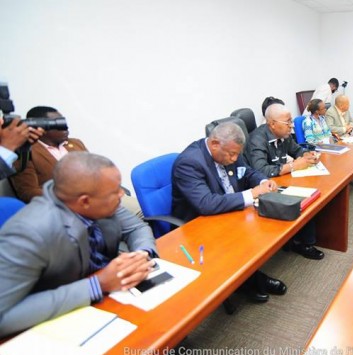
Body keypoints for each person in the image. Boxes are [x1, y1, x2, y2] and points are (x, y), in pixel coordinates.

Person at [0, 152, 157, 336]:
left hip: (112, 297)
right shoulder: (29, 232)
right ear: (85, 201)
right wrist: (97, 285)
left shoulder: (99, 200)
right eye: (116, 191)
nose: (121, 195)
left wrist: (140, 255)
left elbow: (136, 228)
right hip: (58, 319)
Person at [171, 122, 287, 303]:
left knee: (266, 224)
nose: (234, 159)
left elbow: (247, 172)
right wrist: (252, 193)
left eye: (237, 154)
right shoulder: (189, 162)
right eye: (231, 154)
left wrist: (263, 181)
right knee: (243, 232)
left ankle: (248, 276)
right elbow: (205, 203)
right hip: (198, 223)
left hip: (226, 210)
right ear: (215, 144)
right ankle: (247, 282)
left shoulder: (229, 150)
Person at [8, 106, 143, 217]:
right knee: (136, 219)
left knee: (145, 213)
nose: (65, 127)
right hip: (69, 208)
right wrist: (71, 196)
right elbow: (28, 192)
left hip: (104, 197)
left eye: (63, 121)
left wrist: (111, 188)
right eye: (57, 123)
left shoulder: (75, 144)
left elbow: (97, 172)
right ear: (41, 128)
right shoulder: (26, 152)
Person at [245, 104, 325, 260]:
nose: (292, 125)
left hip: (280, 181)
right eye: (287, 122)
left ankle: (299, 240)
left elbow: (296, 150)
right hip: (264, 187)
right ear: (272, 124)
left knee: (313, 190)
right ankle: (302, 243)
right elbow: (260, 170)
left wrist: (308, 155)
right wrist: (294, 165)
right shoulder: (257, 139)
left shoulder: (284, 135)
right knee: (303, 196)